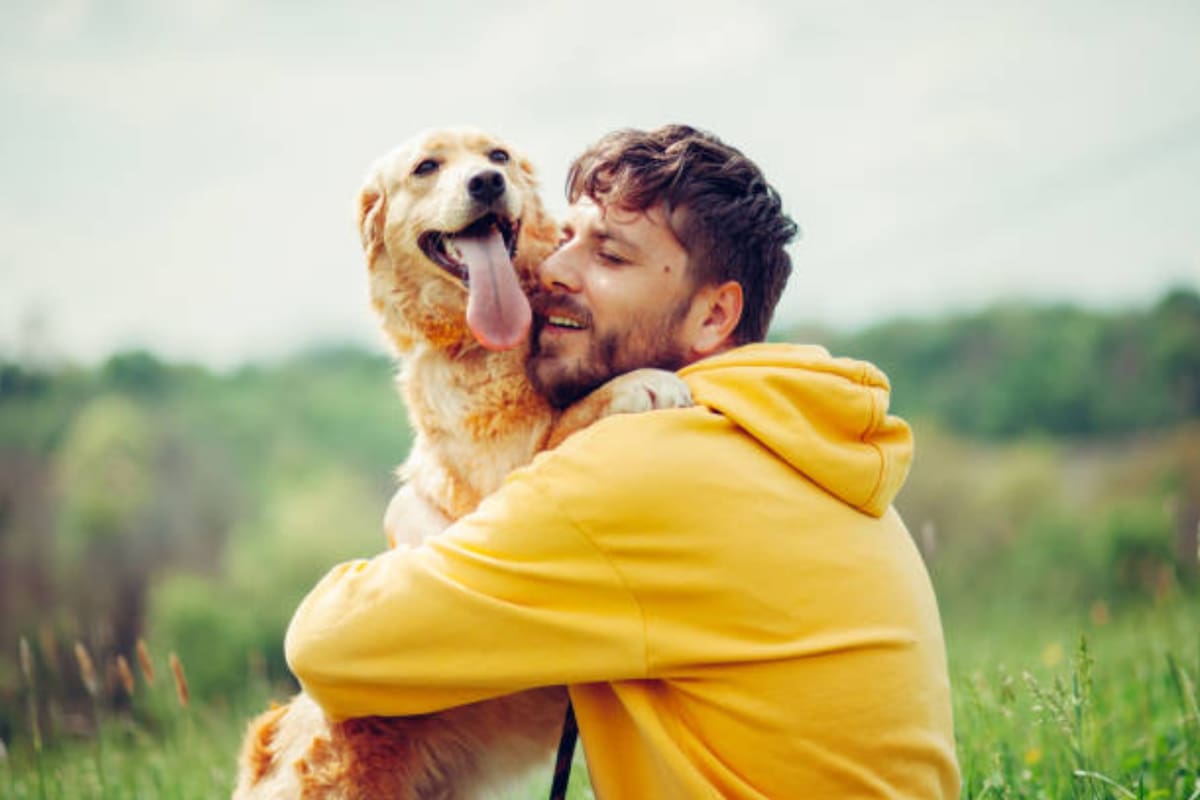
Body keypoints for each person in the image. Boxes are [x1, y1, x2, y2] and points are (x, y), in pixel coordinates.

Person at [285, 124, 960, 797]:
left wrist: (416, 520)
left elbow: (326, 646)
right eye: (567, 237)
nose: (550, 269)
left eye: (608, 257)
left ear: (713, 315)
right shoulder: (803, 438)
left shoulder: (644, 464)